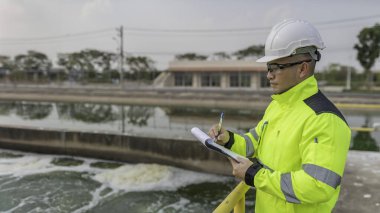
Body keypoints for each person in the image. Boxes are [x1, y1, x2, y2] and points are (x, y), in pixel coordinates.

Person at [208, 18, 351, 212]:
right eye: (269, 68)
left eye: (276, 67)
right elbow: (253, 143)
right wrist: (229, 140)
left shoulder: (325, 119)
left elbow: (317, 186)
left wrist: (254, 175)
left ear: (302, 68)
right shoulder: (277, 106)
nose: (269, 75)